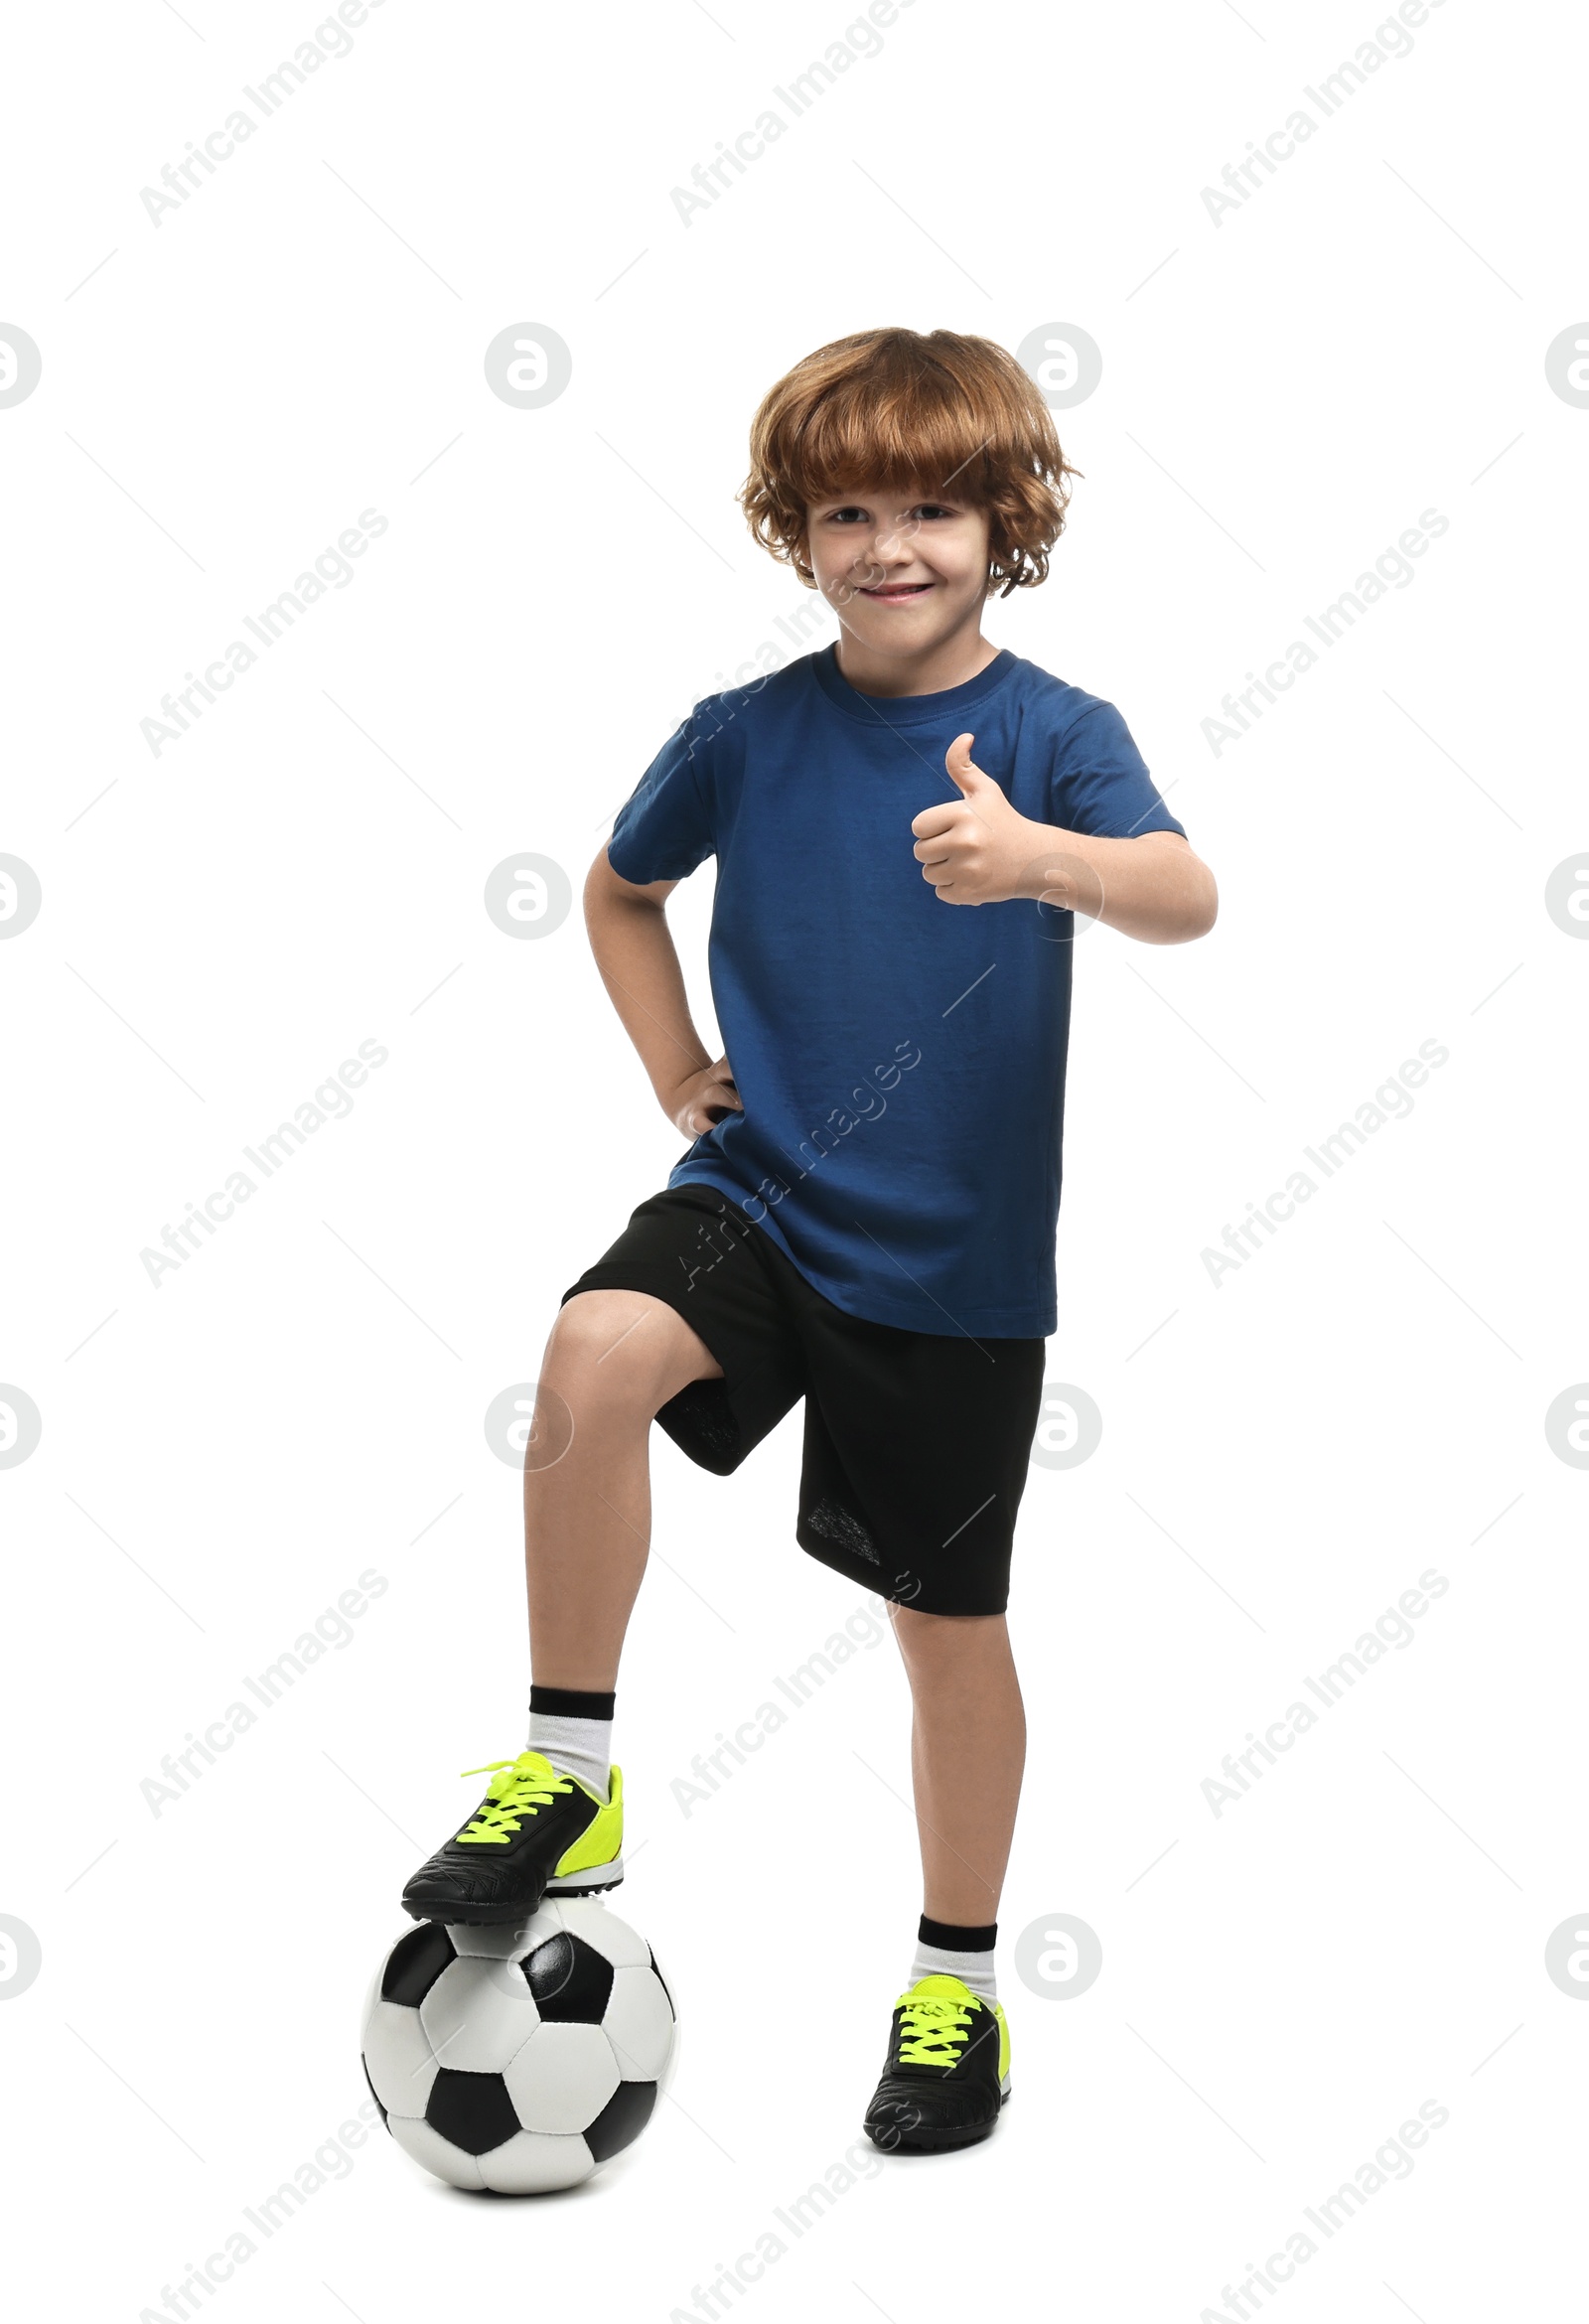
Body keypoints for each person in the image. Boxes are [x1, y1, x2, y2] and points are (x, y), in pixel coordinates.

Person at [401, 326, 1218, 2153]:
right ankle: (571, 1774)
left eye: (932, 506)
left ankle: (957, 1992)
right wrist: (679, 1063)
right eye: (846, 508)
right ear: (795, 530)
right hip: (760, 1195)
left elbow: (1190, 891)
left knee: (947, 1634)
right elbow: (620, 893)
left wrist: (1048, 863)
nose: (887, 545)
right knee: (594, 1351)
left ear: (1006, 521)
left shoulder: (1054, 738)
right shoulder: (745, 732)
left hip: (955, 1264)